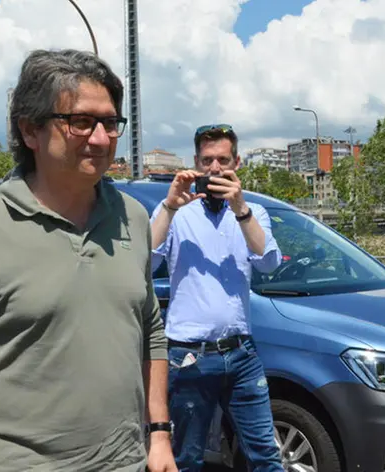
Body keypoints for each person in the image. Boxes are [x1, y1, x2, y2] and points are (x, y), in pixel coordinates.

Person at [0, 49, 175, 472]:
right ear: (30, 130)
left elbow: (149, 330)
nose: (101, 138)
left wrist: (159, 434)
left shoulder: (132, 218)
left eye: (110, 122)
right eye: (80, 121)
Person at [150, 124, 283, 471]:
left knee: (266, 456)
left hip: (241, 354)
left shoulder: (252, 212)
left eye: (223, 159)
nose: (214, 168)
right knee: (185, 460)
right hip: (189, 356)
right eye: (207, 160)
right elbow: (144, 262)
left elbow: (268, 262)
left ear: (236, 162)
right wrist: (168, 206)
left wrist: (240, 208)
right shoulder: (177, 213)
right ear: (195, 162)